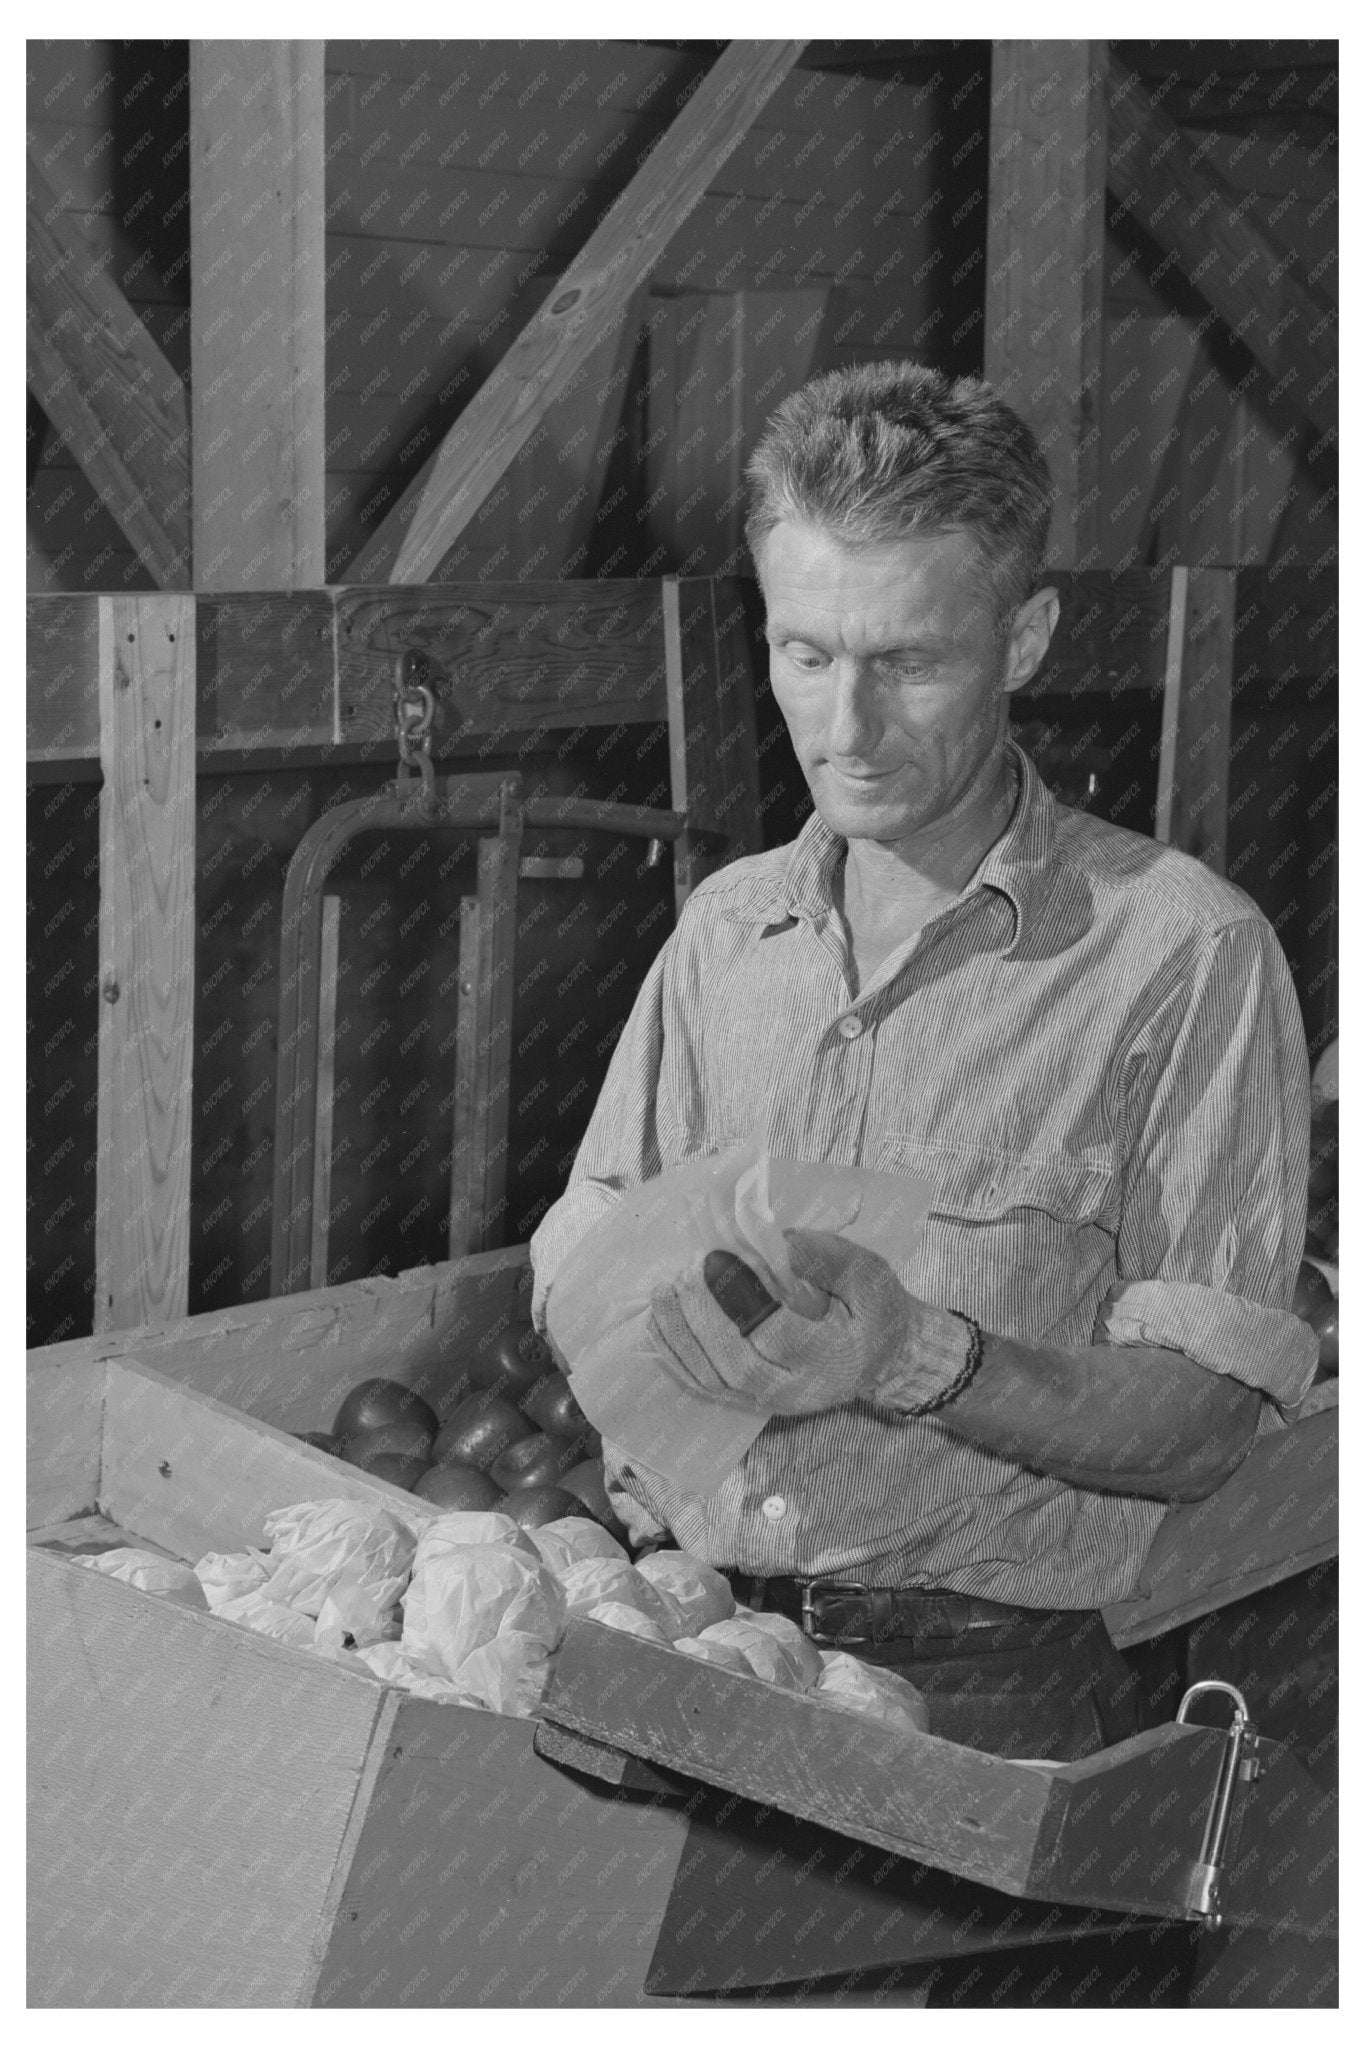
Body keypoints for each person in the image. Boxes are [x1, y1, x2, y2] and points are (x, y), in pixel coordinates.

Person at [530, 361, 1316, 1762]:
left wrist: (915, 1354)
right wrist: (634, 1353)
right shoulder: (727, 936)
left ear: (1022, 640)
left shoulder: (1177, 958)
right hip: (696, 1639)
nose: (844, 734)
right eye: (804, 655)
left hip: (993, 1694)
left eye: (907, 664)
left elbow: (1201, 1429)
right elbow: (585, 1254)